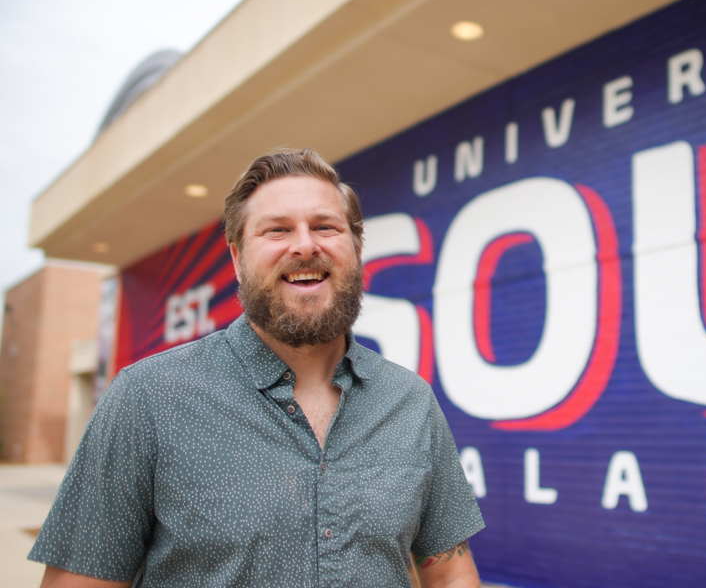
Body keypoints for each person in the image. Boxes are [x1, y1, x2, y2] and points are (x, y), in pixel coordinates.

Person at [30, 148, 484, 588]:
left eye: (325, 226)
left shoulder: (409, 401)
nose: (305, 245)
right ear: (237, 258)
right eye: (277, 230)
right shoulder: (147, 398)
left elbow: (448, 573)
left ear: (357, 249)